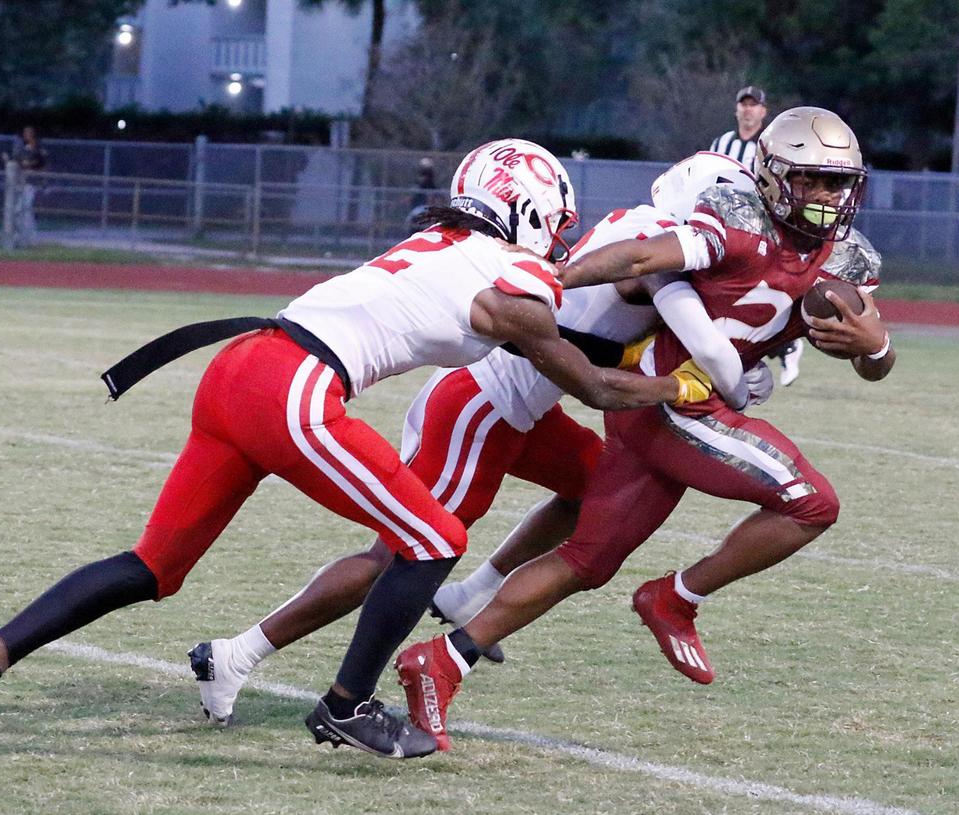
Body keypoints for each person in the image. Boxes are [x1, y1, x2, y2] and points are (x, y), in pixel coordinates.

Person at [0, 138, 717, 773]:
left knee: (155, 566)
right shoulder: (511, 272)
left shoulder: (438, 237)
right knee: (437, 538)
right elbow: (592, 386)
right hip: (294, 386)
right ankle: (347, 704)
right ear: (529, 212)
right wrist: (681, 386)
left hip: (240, 367)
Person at [187, 152, 770, 728]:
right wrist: (725, 376)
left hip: (526, 409)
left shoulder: (639, 227)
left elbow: (597, 337)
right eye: (732, 212)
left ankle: (473, 595)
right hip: (481, 409)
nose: (740, 228)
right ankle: (237, 655)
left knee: (595, 487)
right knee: (394, 556)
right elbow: (698, 350)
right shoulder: (659, 253)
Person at [395, 107, 896, 753]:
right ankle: (677, 596)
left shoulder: (852, 260)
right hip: (673, 404)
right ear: (773, 176)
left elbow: (873, 363)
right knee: (810, 502)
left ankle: (441, 661)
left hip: (672, 406)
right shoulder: (737, 220)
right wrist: (553, 278)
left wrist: (875, 346)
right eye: (812, 180)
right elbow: (640, 256)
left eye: (838, 182)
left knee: (586, 561)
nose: (828, 196)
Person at [711, 87, 804, 386]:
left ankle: (785, 344)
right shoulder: (721, 142)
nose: (748, 110)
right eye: (744, 104)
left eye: (754, 105)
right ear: (737, 109)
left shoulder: (770, 145)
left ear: (764, 111)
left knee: (753, 291)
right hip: (723, 227)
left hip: (758, 229)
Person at [2, 126, 48, 246]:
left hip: (32, 184)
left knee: (20, 210)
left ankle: (25, 238)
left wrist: (43, 181)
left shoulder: (38, 149)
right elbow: (17, 163)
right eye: (25, 133)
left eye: (28, 133)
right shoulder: (25, 149)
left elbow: (42, 166)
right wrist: (8, 160)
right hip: (22, 184)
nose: (25, 135)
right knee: (25, 212)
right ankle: (29, 239)